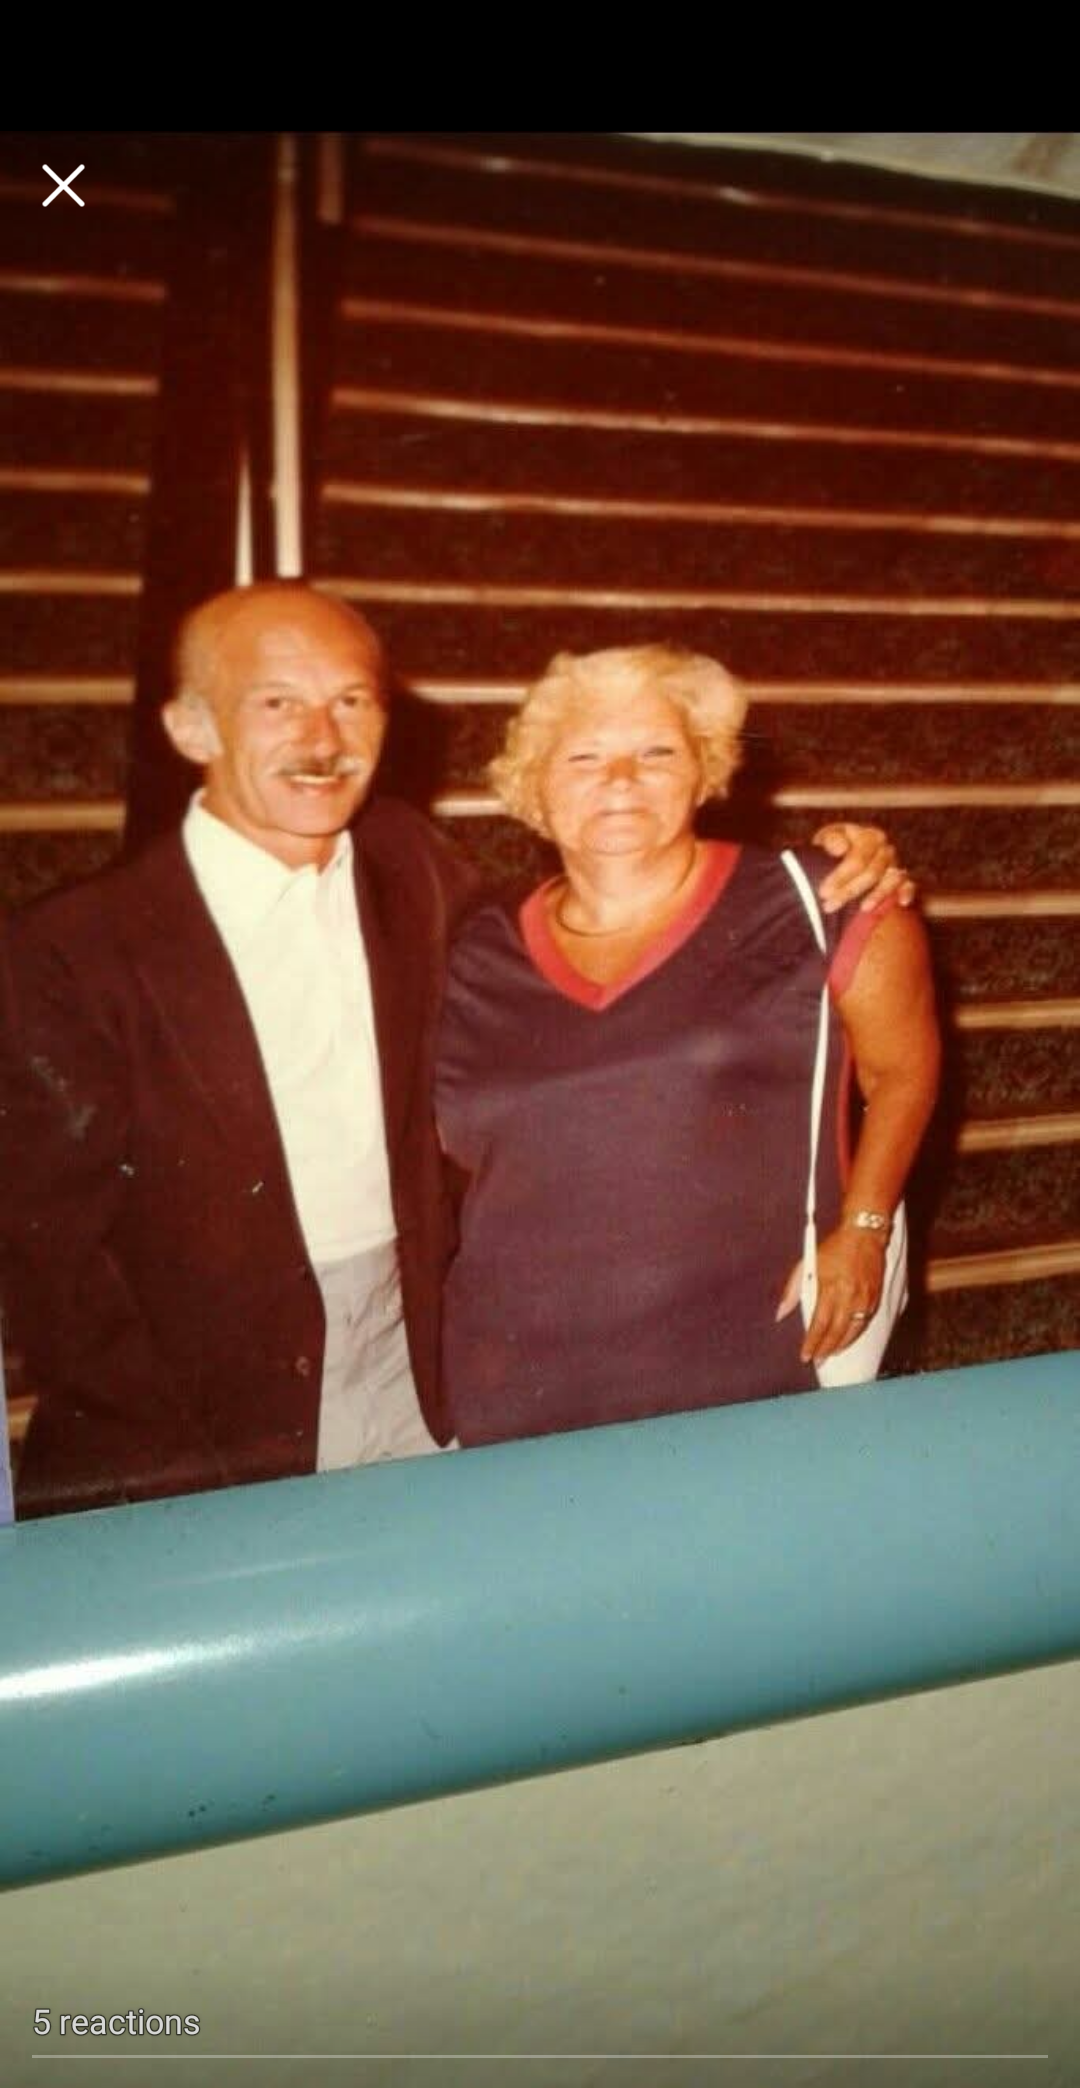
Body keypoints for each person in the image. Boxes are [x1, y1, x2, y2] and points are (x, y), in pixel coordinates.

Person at [0, 586, 913, 1518]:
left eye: (352, 701)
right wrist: (183, 1466)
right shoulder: (69, 952)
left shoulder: (413, 867)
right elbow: (53, 1270)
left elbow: (611, 912)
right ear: (193, 726)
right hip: (197, 1418)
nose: (323, 738)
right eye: (276, 703)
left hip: (417, 1359)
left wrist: (846, 856)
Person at [435, 644, 940, 1447]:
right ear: (534, 786)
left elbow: (902, 1070)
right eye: (585, 757)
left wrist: (867, 1225)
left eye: (657, 753)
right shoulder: (474, 944)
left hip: (746, 1355)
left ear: (706, 770)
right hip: (518, 1367)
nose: (621, 780)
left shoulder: (826, 897)